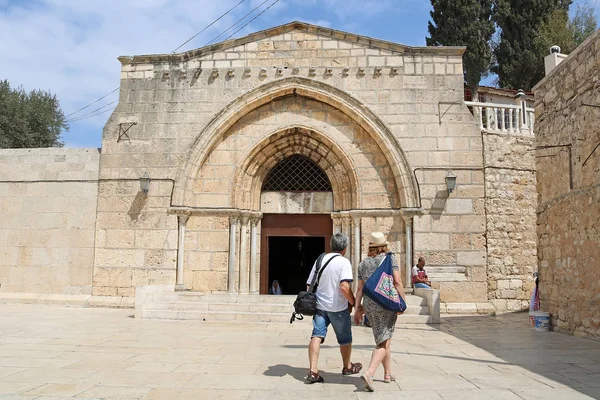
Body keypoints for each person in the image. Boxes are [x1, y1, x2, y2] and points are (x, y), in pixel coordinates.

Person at [305, 232, 362, 383]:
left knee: (316, 336)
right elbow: (344, 287)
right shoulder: (344, 262)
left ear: (331, 245)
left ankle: (313, 371)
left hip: (320, 307)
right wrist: (354, 302)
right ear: (344, 248)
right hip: (338, 308)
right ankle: (347, 366)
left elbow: (309, 284)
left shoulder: (320, 259)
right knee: (345, 339)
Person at [354, 232, 406, 392]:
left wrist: (357, 308)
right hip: (386, 303)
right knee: (383, 342)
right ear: (383, 246)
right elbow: (397, 281)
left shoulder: (363, 264)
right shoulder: (390, 258)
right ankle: (369, 373)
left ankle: (387, 373)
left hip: (370, 304)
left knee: (383, 338)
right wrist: (402, 302)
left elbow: (360, 288)